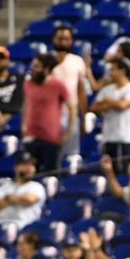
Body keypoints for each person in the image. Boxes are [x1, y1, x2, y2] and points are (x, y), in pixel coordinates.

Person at [21, 53, 76, 173]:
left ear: (46, 69)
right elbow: (26, 104)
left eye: (37, 66)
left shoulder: (58, 85)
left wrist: (67, 133)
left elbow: (72, 108)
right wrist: (23, 125)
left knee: (50, 173)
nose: (33, 69)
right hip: (31, 136)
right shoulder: (28, 83)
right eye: (33, 66)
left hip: (51, 137)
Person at [90, 58, 130, 173]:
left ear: (122, 71)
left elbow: (123, 105)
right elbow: (94, 107)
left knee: (125, 173)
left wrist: (108, 101)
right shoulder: (106, 89)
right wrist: (113, 103)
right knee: (108, 172)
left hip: (126, 138)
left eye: (113, 69)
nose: (110, 73)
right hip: (108, 138)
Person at [51, 24, 88, 159]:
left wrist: (83, 117)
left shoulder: (77, 61)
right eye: (60, 38)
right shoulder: (46, 59)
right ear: (54, 39)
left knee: (70, 155)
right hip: (50, 115)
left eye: (67, 39)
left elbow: (81, 91)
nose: (63, 42)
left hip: (70, 115)